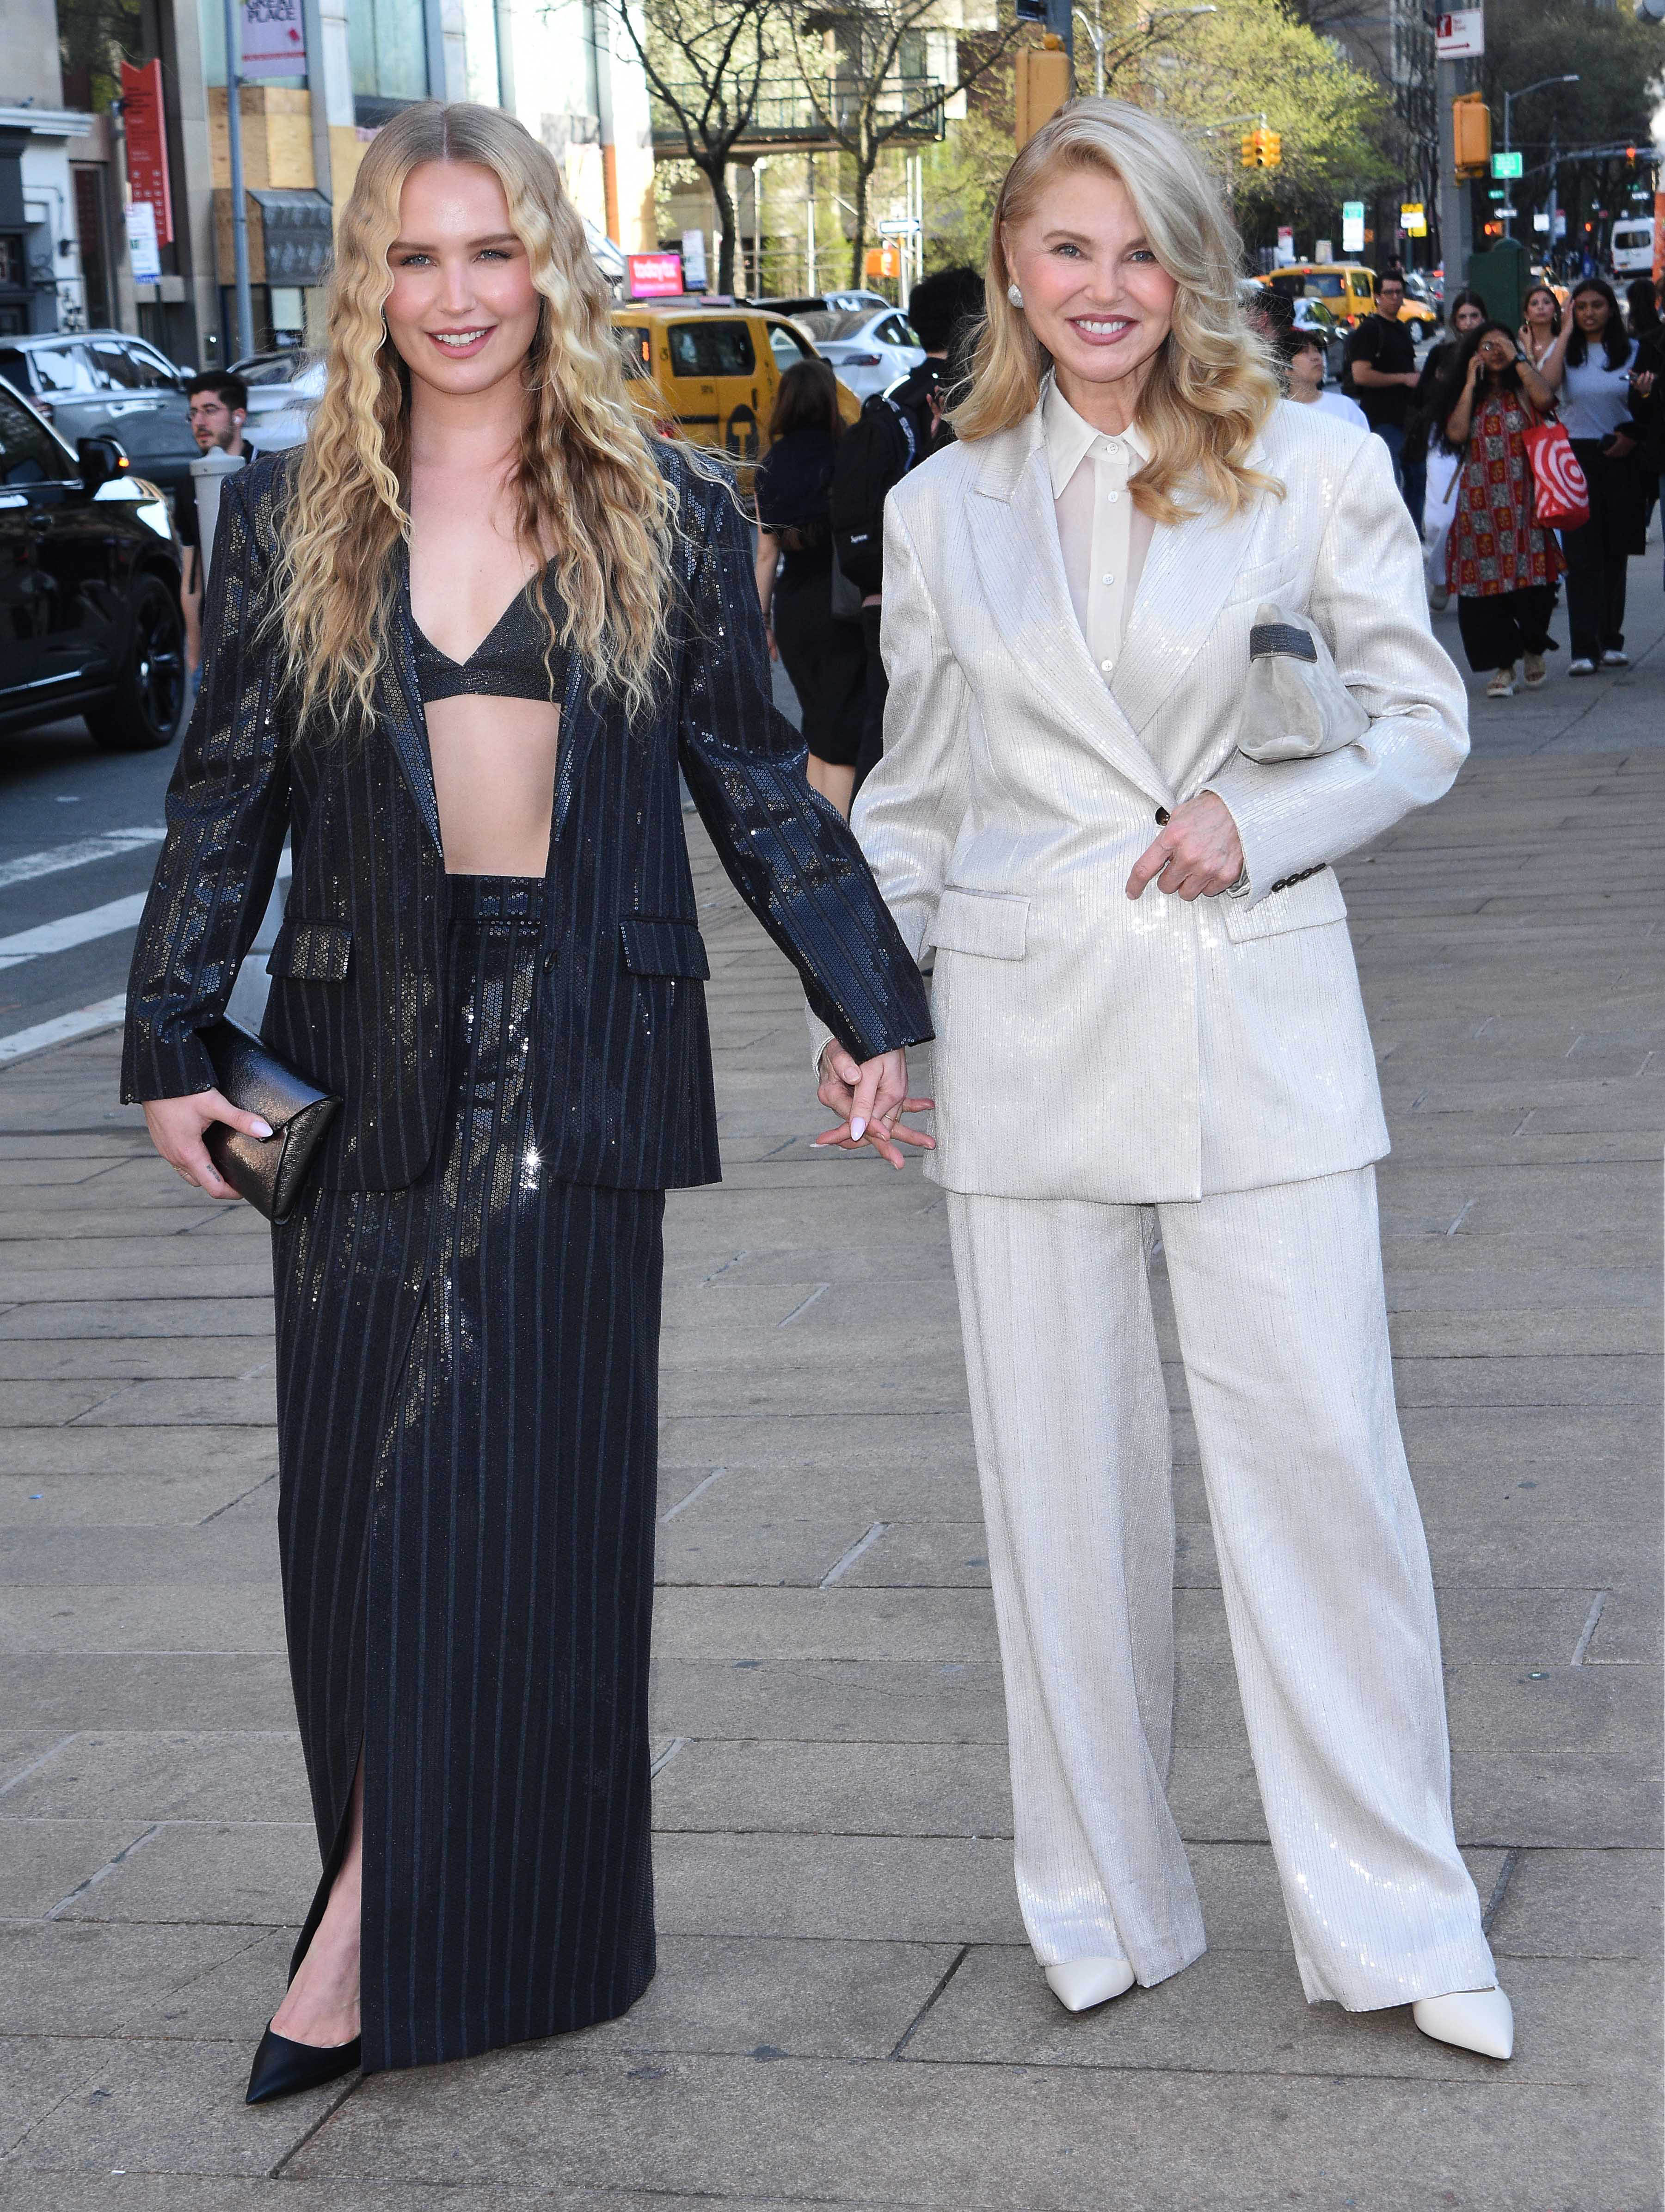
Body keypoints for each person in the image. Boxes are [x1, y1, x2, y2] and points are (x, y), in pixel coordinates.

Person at [122, 101, 932, 2100]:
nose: (458, 295)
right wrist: (166, 1040)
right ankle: (523, 1923)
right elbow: (225, 797)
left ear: (551, 266)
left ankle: (360, 1935)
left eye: (493, 253)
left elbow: (756, 780)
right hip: (354, 1052)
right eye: (416, 256)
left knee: (497, 1509)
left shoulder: (661, 501)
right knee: (356, 1518)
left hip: (577, 1060)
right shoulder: (295, 504)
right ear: (368, 284)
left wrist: (865, 1009)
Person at [814, 95, 1514, 2062]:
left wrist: (1262, 822)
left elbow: (1417, 722)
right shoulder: (940, 509)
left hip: (1254, 1020)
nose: (1103, 289)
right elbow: (920, 800)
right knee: (1061, 1498)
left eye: (1138, 251)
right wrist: (864, 1007)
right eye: (1066, 250)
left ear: (1187, 264)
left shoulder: (1308, 460)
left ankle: (1398, 1922)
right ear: (1016, 275)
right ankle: (1100, 1908)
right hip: (1031, 1035)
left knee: (1327, 1484)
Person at [829, 264, 983, 793]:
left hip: (885, 598)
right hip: (968, 596)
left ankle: (873, 863)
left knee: (889, 735)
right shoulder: (986, 394)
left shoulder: (892, 402)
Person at [753, 360, 867, 816]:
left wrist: (761, 624)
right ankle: (837, 847)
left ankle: (818, 837)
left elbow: (766, 555)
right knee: (838, 732)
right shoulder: (845, 454)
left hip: (793, 609)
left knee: (818, 724)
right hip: (841, 607)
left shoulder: (769, 465)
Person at [1433, 321, 1560, 698]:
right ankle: (1503, 667)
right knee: (1486, 592)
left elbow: (1546, 401)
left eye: (1499, 345)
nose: (1494, 353)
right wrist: (1471, 383)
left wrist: (1517, 358)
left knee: (1537, 585)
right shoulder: (1465, 391)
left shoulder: (1523, 385)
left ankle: (1533, 647)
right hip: (1480, 507)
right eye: (1485, 347)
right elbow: (1455, 434)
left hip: (1527, 502)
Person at [1540, 276, 1656, 673]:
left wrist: (1636, 417)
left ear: (1611, 309)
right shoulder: (1564, 352)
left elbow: (1649, 407)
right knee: (1579, 555)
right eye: (1581, 306)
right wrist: (1565, 331)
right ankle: (1583, 649)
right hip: (1575, 458)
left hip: (1621, 454)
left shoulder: (1635, 351)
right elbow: (1547, 389)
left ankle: (1611, 641)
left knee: (1614, 552)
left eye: (1597, 305)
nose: (1589, 313)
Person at [1409, 289, 1488, 609]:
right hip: (1443, 442)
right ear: (1454, 323)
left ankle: (1481, 581)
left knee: (1482, 516)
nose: (1468, 323)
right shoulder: (1441, 355)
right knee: (1440, 518)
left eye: (1474, 316)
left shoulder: (1496, 352)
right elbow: (1421, 399)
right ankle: (1440, 578)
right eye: (1462, 317)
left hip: (1486, 440)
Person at [177, 373, 257, 679]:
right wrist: (195, 653)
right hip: (215, 646)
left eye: (210, 410)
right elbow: (192, 578)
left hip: (266, 641)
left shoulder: (270, 470)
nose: (199, 421)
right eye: (194, 412)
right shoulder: (188, 484)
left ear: (238, 416)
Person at [1343, 269, 1419, 510]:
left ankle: (1415, 538)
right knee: (1391, 488)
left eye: (1399, 292)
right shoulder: (1370, 330)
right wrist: (1404, 379)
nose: (1395, 297)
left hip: (1409, 420)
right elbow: (1361, 375)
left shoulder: (1402, 328)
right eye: (1389, 293)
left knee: (1418, 481)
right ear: (1377, 296)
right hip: (1382, 421)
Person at [1278, 325, 1366, 426]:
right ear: (1285, 367)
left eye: (1316, 351)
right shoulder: (1277, 414)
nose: (1316, 357)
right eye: (1305, 352)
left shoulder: (1345, 406)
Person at [1518, 282, 1562, 368]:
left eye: (1547, 303)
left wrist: (1529, 353)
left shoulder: (1561, 344)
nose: (1541, 307)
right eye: (1534, 304)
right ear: (1526, 315)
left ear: (1555, 311)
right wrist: (1527, 348)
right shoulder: (1518, 347)